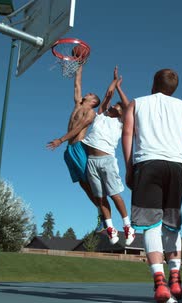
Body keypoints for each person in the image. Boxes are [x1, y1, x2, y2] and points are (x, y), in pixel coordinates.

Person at [122, 68, 182, 303]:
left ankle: (160, 284)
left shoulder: (136, 103)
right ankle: (175, 278)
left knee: (151, 225)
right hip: (176, 167)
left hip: (148, 163)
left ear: (153, 84)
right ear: (174, 89)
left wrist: (130, 167)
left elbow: (127, 134)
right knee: (171, 225)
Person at [46, 65, 108, 231]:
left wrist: (60, 139)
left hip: (78, 147)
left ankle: (104, 215)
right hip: (69, 150)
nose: (86, 94)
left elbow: (77, 129)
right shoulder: (77, 105)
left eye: (90, 94)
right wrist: (80, 64)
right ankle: (100, 211)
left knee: (90, 183)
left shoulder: (90, 114)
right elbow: (77, 84)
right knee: (82, 184)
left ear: (94, 101)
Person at [82, 66, 135, 245]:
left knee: (114, 194)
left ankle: (128, 226)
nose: (113, 106)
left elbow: (128, 107)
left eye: (117, 107)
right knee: (100, 197)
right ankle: (111, 228)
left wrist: (120, 88)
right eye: (113, 105)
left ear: (121, 113)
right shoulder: (101, 116)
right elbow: (107, 96)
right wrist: (113, 81)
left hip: (107, 160)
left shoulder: (121, 123)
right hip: (92, 161)